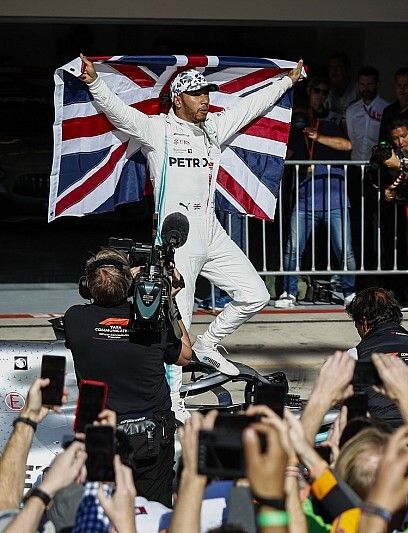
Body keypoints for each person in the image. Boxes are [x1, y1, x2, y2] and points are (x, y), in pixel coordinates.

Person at [77, 55, 304, 419]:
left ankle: (210, 343)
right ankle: (174, 402)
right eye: (198, 95)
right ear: (178, 99)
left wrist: (287, 82)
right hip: (173, 242)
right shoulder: (156, 129)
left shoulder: (213, 127)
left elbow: (250, 107)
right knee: (174, 328)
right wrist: (93, 82)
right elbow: (117, 111)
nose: (206, 100)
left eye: (207, 94)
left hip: (212, 232)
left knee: (255, 294)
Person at [63, 248, 193, 505]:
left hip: (103, 434)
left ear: (86, 287)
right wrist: (166, 300)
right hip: (151, 436)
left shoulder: (75, 319)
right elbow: (185, 356)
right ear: (130, 284)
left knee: (104, 508)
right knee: (154, 510)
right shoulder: (153, 324)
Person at [275, 76, 357, 309]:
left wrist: (319, 137)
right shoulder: (296, 128)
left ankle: (350, 292)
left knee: (345, 250)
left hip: (335, 199)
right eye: (316, 91)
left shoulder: (331, 122)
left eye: (323, 92)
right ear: (308, 94)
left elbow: (348, 146)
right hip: (304, 199)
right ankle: (288, 292)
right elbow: (285, 156)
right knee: (293, 249)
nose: (319, 96)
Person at [345, 288, 408, 426]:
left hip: (379, 437)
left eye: (357, 325)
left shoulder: (355, 355)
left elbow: (343, 402)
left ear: (364, 322)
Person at [345, 66, 389, 161]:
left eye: (369, 84)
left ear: (377, 84)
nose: (365, 88)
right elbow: (351, 139)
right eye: (362, 84)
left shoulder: (386, 109)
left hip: (378, 165)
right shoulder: (351, 110)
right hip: (355, 164)